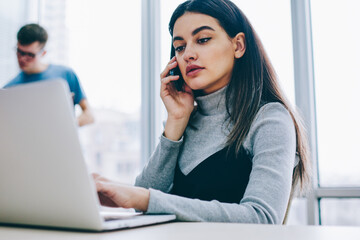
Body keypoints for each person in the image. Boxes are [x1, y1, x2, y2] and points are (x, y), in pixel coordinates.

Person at [93, 0, 311, 224]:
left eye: (203, 40)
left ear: (238, 46)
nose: (188, 54)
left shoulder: (270, 119)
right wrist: (175, 122)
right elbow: (142, 202)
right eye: (180, 47)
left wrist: (146, 199)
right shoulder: (184, 121)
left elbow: (262, 218)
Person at [3, 23, 94, 127]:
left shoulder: (66, 75)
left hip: (61, 140)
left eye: (30, 55)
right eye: (20, 52)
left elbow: (89, 115)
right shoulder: (8, 90)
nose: (22, 58)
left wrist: (69, 126)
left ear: (43, 53)